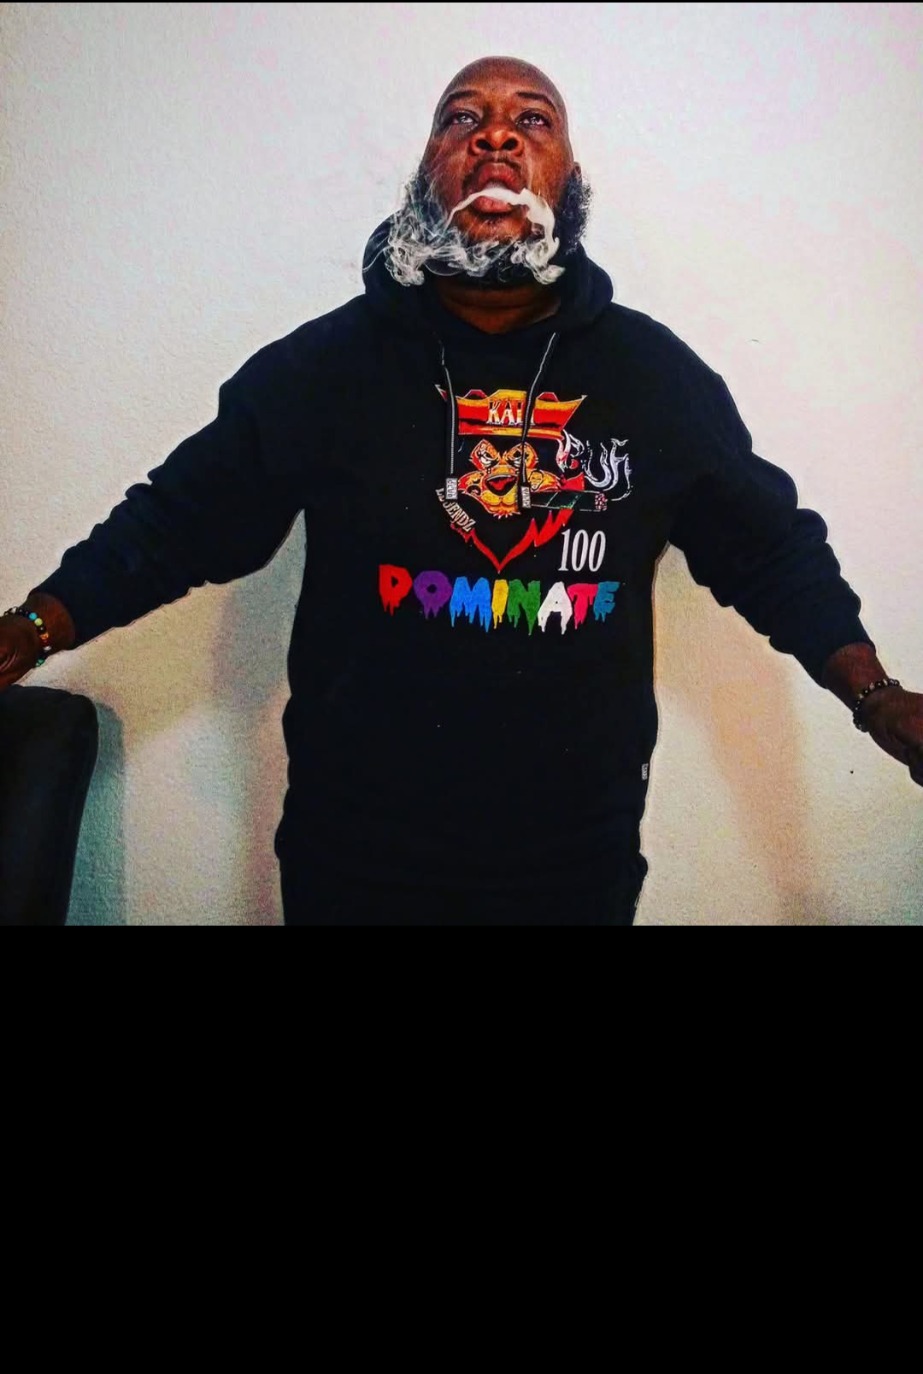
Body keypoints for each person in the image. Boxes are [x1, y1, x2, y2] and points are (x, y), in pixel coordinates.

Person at [3, 56, 922, 925]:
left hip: (573, 858)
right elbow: (174, 524)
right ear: (423, 178)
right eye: (461, 119)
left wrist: (873, 694)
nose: (495, 135)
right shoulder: (324, 369)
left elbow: (769, 552)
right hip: (354, 855)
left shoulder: (652, 377)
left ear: (570, 183)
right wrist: (33, 628)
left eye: (533, 120)